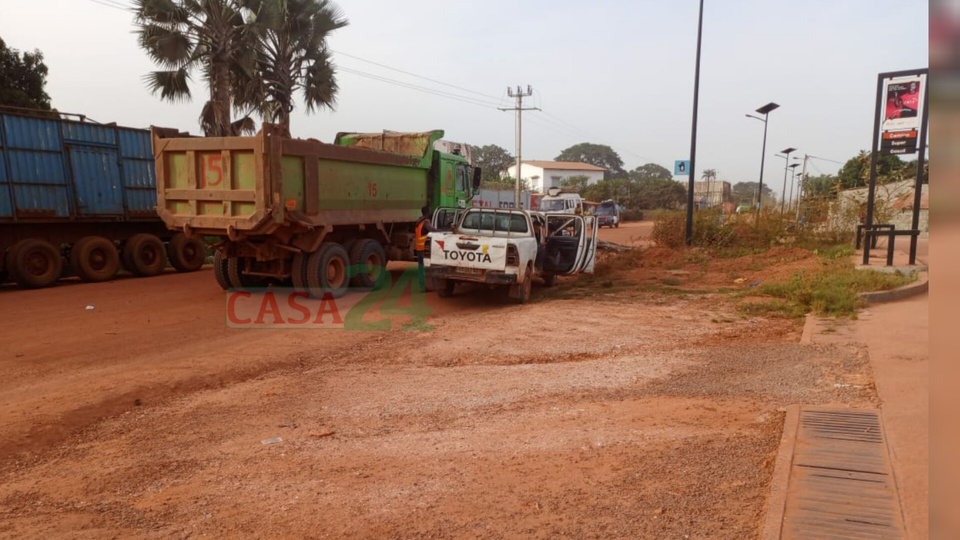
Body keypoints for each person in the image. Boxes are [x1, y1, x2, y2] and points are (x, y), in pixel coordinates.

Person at [414, 206, 434, 292]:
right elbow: (432, 230)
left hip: (419, 248)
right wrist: (441, 231)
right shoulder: (426, 223)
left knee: (421, 267)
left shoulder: (418, 222)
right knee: (427, 268)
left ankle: (422, 285)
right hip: (424, 249)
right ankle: (427, 286)